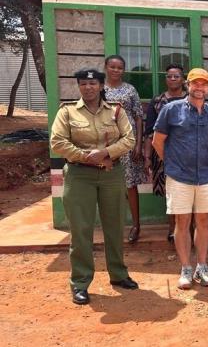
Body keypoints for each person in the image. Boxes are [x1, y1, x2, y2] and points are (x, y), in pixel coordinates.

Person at [50, 68, 139, 305]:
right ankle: (80, 283)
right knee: (80, 231)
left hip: (111, 174)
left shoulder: (116, 110)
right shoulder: (67, 111)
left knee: (115, 226)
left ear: (101, 86)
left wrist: (105, 153)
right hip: (79, 176)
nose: (87, 88)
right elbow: (57, 141)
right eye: (83, 84)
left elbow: (129, 139)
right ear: (79, 87)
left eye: (92, 84)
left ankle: (119, 275)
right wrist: (85, 156)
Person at [152, 68, 208, 289]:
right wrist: (172, 163)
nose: (199, 88)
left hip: (205, 176)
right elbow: (157, 141)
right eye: (195, 83)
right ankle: (186, 268)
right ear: (188, 85)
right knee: (182, 222)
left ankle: (202, 266)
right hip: (179, 176)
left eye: (204, 84)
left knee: (203, 222)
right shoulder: (171, 110)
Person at [103, 55, 145, 244]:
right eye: (112, 67)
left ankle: (136, 225)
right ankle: (112, 227)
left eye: (119, 67)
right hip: (106, 144)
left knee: (130, 185)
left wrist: (138, 143)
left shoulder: (130, 90)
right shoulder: (99, 89)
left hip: (128, 142)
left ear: (123, 70)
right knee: (109, 185)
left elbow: (138, 117)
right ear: (105, 68)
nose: (116, 70)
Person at [143, 64, 187, 243]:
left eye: (177, 76)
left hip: (186, 153)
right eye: (169, 76)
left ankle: (187, 227)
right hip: (163, 154)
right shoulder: (158, 101)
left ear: (183, 79)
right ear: (166, 79)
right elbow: (149, 132)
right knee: (170, 191)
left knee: (188, 189)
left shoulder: (190, 99)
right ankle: (172, 228)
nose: (173, 79)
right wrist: (147, 157)